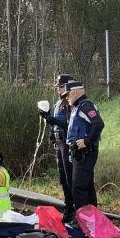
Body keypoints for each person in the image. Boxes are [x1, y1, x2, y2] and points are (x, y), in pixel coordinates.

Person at [64, 80, 104, 224]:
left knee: (78, 187)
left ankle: (83, 222)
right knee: (86, 186)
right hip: (79, 154)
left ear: (75, 92)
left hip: (86, 153)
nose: (66, 97)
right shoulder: (77, 107)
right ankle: (92, 221)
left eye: (67, 94)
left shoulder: (85, 106)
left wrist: (86, 141)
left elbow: (98, 123)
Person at [41, 75, 76, 223]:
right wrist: (52, 134)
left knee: (69, 177)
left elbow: (69, 125)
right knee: (63, 177)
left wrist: (50, 119)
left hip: (67, 141)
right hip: (59, 141)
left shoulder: (70, 102)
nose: (58, 89)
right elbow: (56, 124)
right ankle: (68, 208)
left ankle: (74, 209)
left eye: (61, 87)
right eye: (58, 87)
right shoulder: (58, 103)